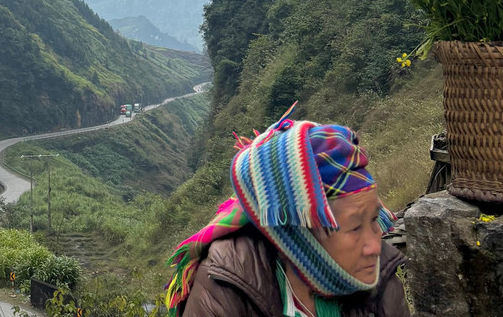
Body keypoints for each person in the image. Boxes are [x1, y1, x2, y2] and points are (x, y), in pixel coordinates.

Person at [165, 106, 410, 317]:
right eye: (355, 227)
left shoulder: (380, 280)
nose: (376, 247)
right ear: (299, 234)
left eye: (374, 219)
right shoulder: (229, 281)